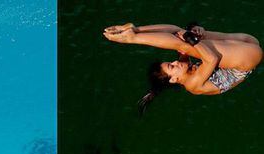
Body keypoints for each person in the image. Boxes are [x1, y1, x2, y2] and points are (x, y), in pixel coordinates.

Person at [103, 23, 262, 114]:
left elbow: (174, 31)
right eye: (172, 66)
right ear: (174, 79)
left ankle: (135, 30)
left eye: (171, 63)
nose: (175, 62)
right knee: (185, 43)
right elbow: (212, 59)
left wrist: (196, 32)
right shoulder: (192, 85)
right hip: (246, 60)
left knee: (182, 35)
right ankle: (132, 38)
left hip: (247, 42)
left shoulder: (183, 69)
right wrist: (190, 39)